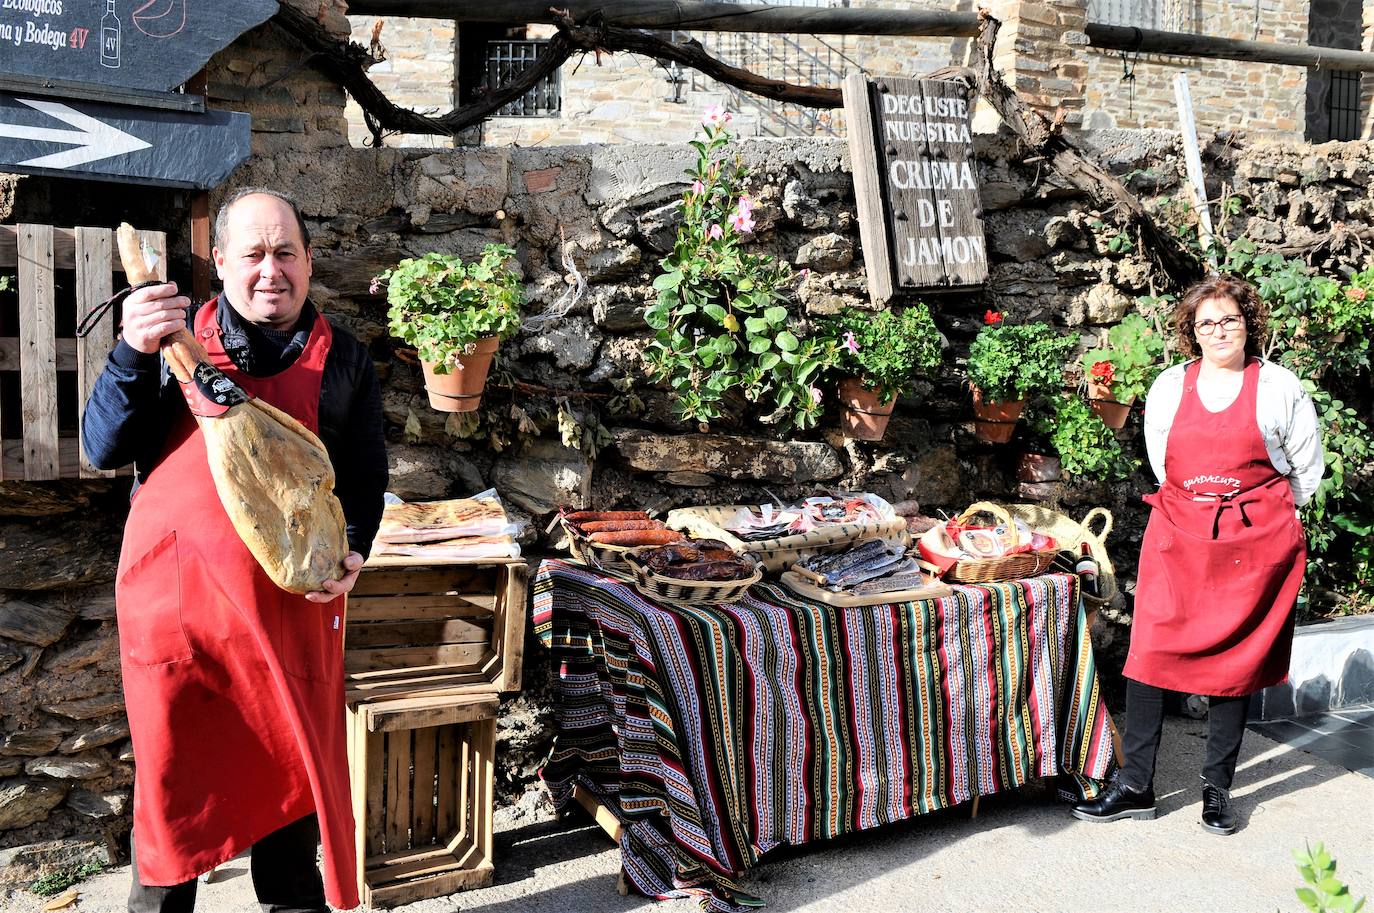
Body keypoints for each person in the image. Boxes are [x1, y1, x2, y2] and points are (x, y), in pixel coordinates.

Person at [83, 188, 388, 912]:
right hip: (179, 631)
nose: (270, 270)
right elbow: (102, 447)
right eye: (252, 254)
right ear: (220, 262)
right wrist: (131, 350)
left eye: (286, 252)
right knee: (171, 835)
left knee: (289, 833)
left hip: (289, 626)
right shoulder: (169, 343)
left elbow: (366, 481)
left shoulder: (345, 362)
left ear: (310, 261)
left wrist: (352, 549)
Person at [1073, 275, 1323, 835]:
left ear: (1247, 324)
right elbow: (1164, 463)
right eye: (1207, 322)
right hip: (1179, 536)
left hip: (1250, 544)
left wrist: (1251, 517)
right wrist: (1201, 508)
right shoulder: (1168, 387)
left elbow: (1306, 471)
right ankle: (1136, 785)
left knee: (1232, 664)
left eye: (1229, 319)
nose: (1219, 331)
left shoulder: (1280, 388)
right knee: (1148, 654)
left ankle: (1217, 790)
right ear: (1192, 331)